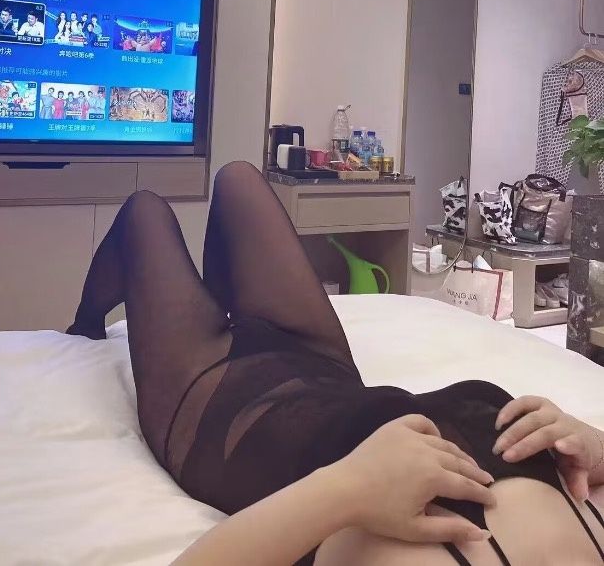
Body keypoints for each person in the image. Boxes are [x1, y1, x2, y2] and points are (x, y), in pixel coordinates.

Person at [68, 162, 604, 566]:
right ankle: (220, 312)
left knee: (145, 214)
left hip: (219, 408)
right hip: (321, 367)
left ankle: (86, 323)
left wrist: (347, 488)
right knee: (239, 181)